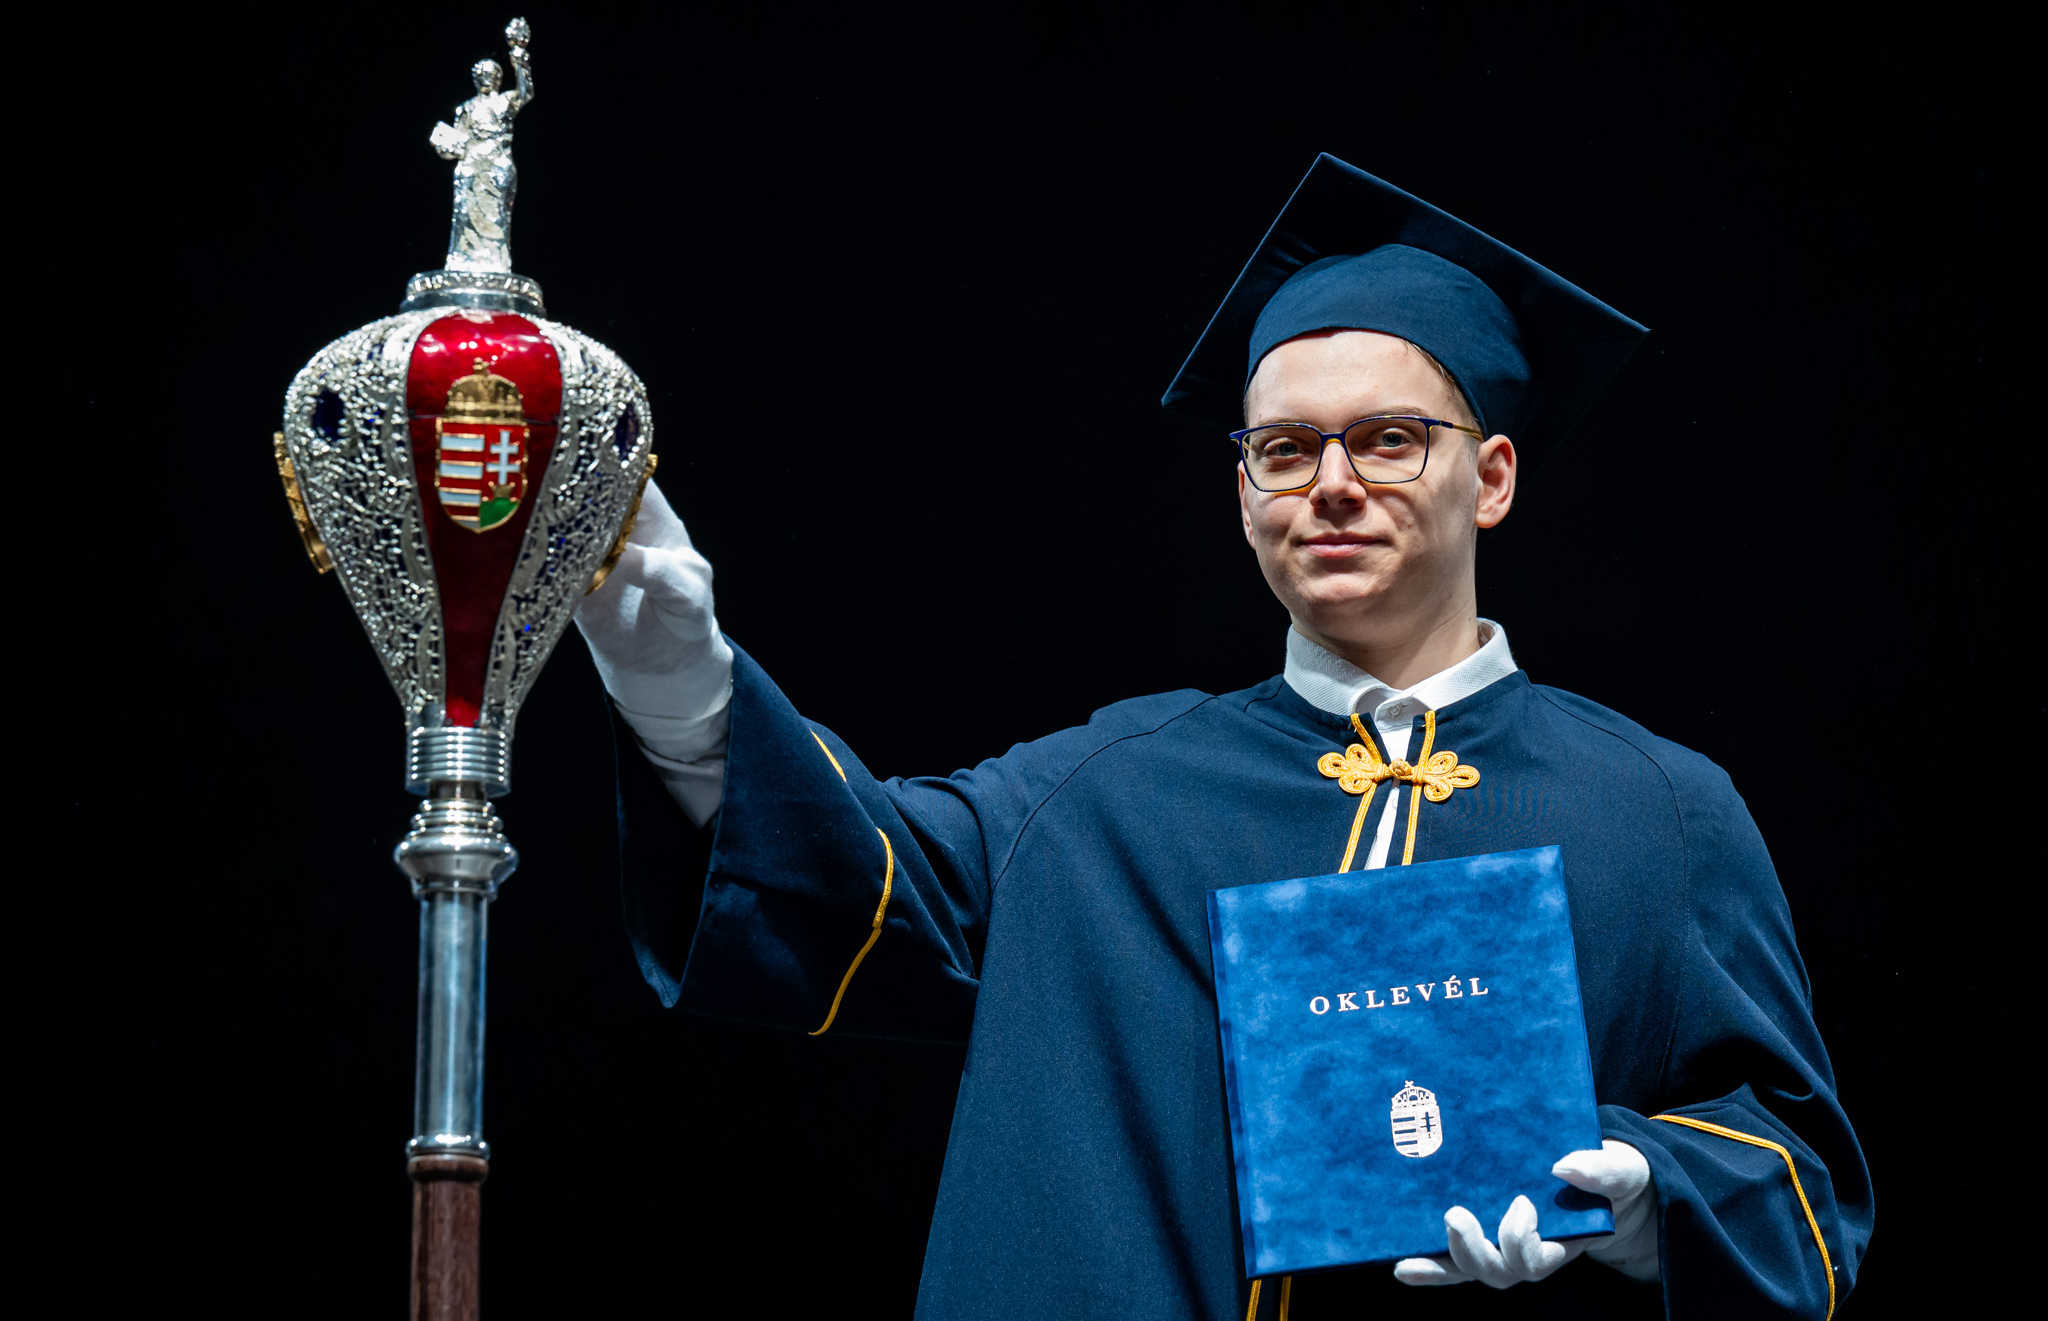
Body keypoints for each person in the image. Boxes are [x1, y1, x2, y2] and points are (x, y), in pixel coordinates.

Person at [573, 155, 1871, 1319]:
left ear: (1493, 477)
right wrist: (678, 672)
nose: (1334, 483)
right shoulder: (1097, 797)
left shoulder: (1657, 810)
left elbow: (1798, 1166)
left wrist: (1646, 1192)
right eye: (1286, 449)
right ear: (1243, 491)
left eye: (1391, 439)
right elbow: (854, 877)